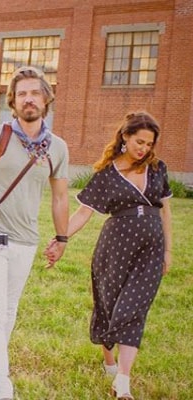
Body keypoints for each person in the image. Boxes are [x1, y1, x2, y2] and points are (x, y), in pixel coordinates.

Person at [45, 111, 172, 399]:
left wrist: (168, 250)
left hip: (151, 249)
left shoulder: (157, 168)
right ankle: (109, 361)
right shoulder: (107, 173)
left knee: (133, 307)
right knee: (108, 305)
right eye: (139, 142)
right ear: (125, 137)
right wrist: (61, 238)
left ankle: (123, 380)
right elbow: (83, 213)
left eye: (149, 144)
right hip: (115, 247)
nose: (144, 149)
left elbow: (166, 212)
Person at [0, 66, 69, 400]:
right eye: (22, 94)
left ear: (46, 99)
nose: (28, 99)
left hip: (26, 241)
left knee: (9, 311)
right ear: (13, 101)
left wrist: (62, 238)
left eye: (35, 93)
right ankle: (2, 388)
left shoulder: (57, 148)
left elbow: (60, 197)